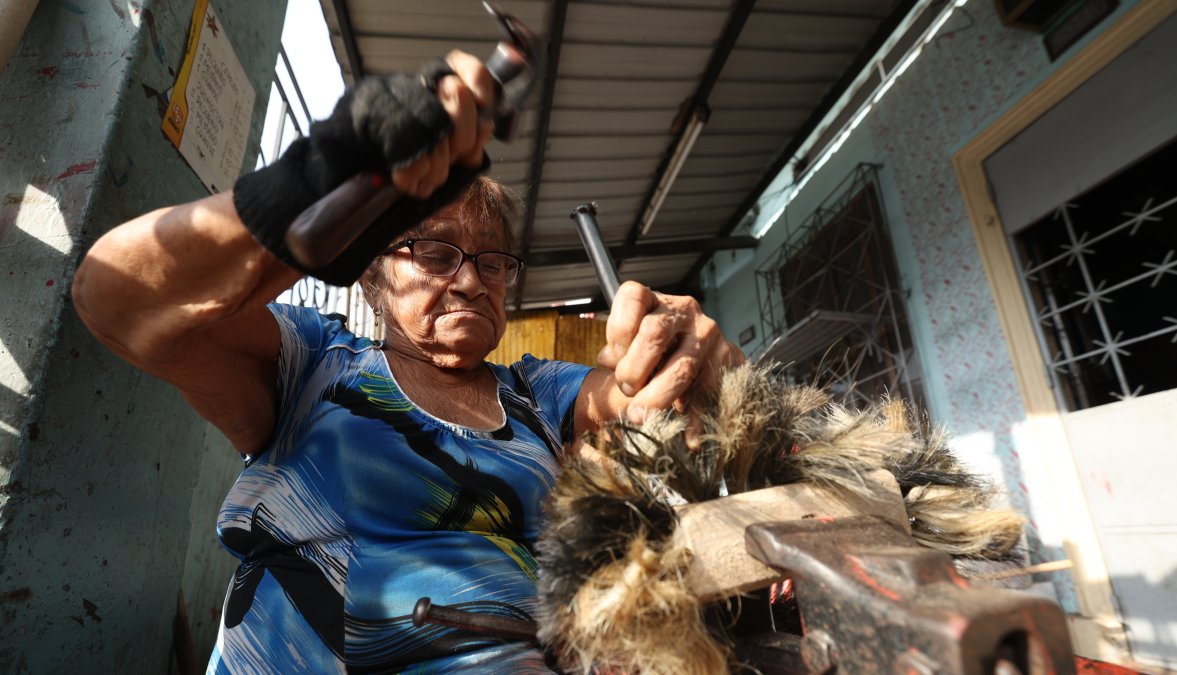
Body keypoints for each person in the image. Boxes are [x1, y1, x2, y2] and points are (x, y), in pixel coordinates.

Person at [72, 51, 742, 672]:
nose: (471, 281)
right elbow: (115, 294)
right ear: (372, 279)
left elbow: (637, 398)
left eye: (492, 262)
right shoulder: (316, 366)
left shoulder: (537, 395)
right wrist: (311, 179)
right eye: (435, 253)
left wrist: (688, 358)